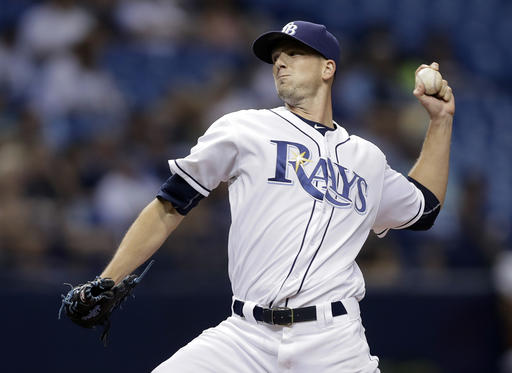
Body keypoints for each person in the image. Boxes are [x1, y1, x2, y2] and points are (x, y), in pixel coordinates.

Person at [99, 21, 454, 372]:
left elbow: (426, 208)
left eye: (295, 54)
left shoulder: (368, 159)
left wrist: (440, 122)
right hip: (245, 337)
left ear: (328, 68)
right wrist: (108, 280)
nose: (280, 62)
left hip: (333, 344)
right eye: (277, 57)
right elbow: (170, 205)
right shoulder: (244, 129)